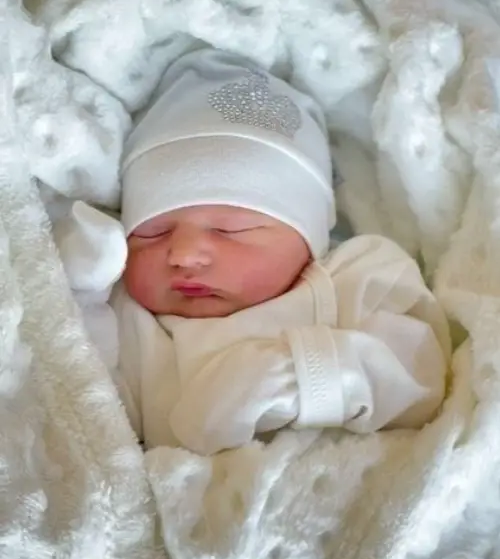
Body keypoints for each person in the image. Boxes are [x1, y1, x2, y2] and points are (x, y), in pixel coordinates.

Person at [54, 48, 451, 455]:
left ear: (308, 234)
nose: (183, 254)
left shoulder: (357, 275)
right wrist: (82, 299)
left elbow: (419, 375)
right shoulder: (132, 319)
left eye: (230, 230)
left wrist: (292, 378)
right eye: (153, 233)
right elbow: (91, 418)